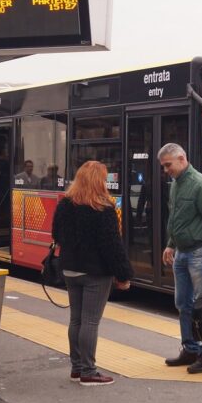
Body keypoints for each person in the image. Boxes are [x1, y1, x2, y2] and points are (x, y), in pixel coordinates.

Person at [52, 160, 134, 386]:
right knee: (90, 321)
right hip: (95, 273)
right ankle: (89, 372)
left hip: (70, 269)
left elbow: (56, 235)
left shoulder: (65, 205)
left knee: (76, 320)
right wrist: (123, 274)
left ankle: (77, 368)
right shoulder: (104, 208)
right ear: (100, 181)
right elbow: (112, 246)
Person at [158, 143, 202, 374]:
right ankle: (190, 348)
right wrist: (170, 244)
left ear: (181, 158)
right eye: (164, 166)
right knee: (183, 304)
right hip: (182, 252)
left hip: (200, 251)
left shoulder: (200, 184)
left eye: (168, 165)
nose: (166, 170)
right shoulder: (176, 184)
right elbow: (175, 218)